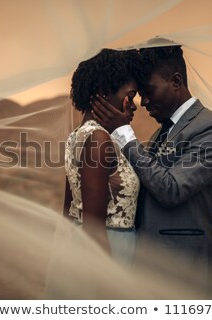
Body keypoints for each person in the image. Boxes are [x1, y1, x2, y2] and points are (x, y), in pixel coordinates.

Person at [91, 45, 212, 297]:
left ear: (176, 81)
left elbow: (172, 190)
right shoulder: (160, 133)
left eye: (148, 91)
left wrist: (124, 134)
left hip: (190, 275)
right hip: (150, 274)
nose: (143, 102)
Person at [63, 48, 141, 266]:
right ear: (104, 93)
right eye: (130, 97)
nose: (134, 105)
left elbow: (69, 211)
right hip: (109, 252)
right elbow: (94, 230)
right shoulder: (99, 139)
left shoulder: (76, 136)